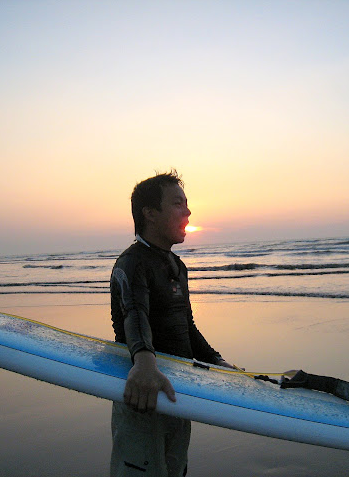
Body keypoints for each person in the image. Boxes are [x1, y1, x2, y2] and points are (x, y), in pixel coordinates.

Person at [110, 170, 233, 476]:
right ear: (150, 213)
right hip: (142, 390)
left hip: (177, 390)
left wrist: (217, 361)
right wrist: (144, 363)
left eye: (187, 204)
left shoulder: (176, 265)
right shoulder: (131, 263)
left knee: (175, 469)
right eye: (178, 204)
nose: (188, 212)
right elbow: (134, 314)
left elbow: (185, 325)